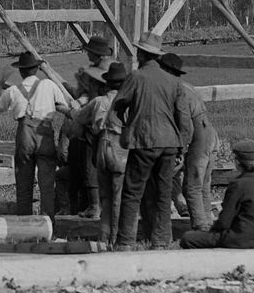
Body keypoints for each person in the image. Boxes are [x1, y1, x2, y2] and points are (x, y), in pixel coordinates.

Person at [110, 33, 193, 251]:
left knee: (132, 192)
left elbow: (118, 106)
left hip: (144, 140)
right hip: (169, 143)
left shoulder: (136, 77)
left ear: (141, 54)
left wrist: (125, 129)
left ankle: (125, 241)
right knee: (164, 194)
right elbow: (183, 118)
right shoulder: (174, 82)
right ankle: (161, 241)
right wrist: (181, 147)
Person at [0, 51, 73, 219]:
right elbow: (63, 104)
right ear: (36, 70)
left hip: (24, 134)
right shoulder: (49, 85)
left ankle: (25, 226)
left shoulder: (13, 90)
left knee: (24, 183)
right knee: (46, 185)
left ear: (21, 71)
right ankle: (47, 225)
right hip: (44, 133)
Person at [179, 138, 254, 249]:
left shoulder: (238, 184)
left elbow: (224, 222)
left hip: (239, 239)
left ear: (238, 162)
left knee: (188, 238)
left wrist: (212, 232)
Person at [160, 53, 217, 231]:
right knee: (203, 186)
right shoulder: (186, 86)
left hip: (198, 134)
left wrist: (181, 147)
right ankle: (208, 221)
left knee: (192, 185)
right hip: (210, 132)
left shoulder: (175, 89)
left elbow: (185, 122)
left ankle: (200, 227)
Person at [89, 62, 130, 244]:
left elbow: (79, 116)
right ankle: (115, 238)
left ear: (107, 84)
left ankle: (103, 238)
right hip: (119, 148)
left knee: (105, 198)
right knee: (118, 197)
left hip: (101, 147)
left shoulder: (98, 102)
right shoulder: (127, 103)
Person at [63, 66, 99, 219]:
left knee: (83, 179)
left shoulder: (86, 100)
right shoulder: (89, 97)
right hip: (81, 142)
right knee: (82, 180)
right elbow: (69, 88)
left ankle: (81, 209)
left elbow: (77, 114)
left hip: (83, 142)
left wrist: (66, 110)